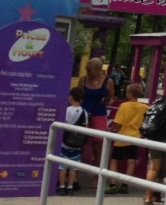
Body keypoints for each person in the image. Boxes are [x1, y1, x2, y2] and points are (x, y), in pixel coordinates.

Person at [79, 58, 115, 189]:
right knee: (80, 144)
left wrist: (107, 101)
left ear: (98, 69)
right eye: (86, 69)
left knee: (98, 147)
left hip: (99, 114)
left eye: (89, 70)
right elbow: (78, 95)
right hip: (83, 114)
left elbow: (112, 98)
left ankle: (97, 175)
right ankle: (74, 173)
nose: (87, 72)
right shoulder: (83, 80)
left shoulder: (108, 81)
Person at [105, 82, 147, 194]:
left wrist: (111, 129)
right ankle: (125, 185)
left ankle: (113, 184)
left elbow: (119, 123)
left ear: (130, 94)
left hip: (122, 137)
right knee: (131, 161)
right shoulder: (144, 107)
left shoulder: (124, 106)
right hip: (135, 137)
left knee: (114, 160)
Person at [57, 87, 86, 195]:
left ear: (71, 97)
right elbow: (86, 127)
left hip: (65, 142)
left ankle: (61, 186)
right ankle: (70, 187)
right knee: (74, 166)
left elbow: (63, 124)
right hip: (77, 144)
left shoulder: (67, 110)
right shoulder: (84, 112)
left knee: (62, 165)